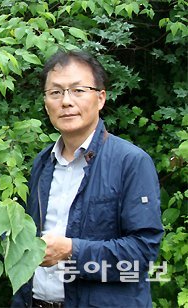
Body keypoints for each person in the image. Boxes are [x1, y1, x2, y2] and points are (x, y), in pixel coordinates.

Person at [11, 50, 163, 307]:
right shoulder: (42, 163)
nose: (66, 101)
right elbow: (28, 242)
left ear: (100, 98)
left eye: (78, 90)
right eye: (56, 92)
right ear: (46, 101)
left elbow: (142, 255)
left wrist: (71, 250)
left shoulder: (130, 162)